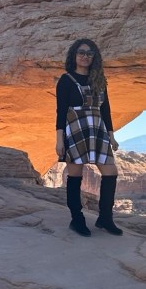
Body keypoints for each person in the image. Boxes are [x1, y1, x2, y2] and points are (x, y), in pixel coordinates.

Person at [55, 38, 122, 237]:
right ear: (74, 55)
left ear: (94, 57)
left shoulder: (99, 80)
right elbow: (61, 112)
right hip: (75, 130)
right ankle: (77, 219)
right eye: (81, 52)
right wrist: (59, 140)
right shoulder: (66, 80)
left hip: (98, 130)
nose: (85, 56)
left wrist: (111, 136)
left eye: (89, 53)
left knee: (110, 172)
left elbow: (106, 110)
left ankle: (105, 218)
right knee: (75, 176)